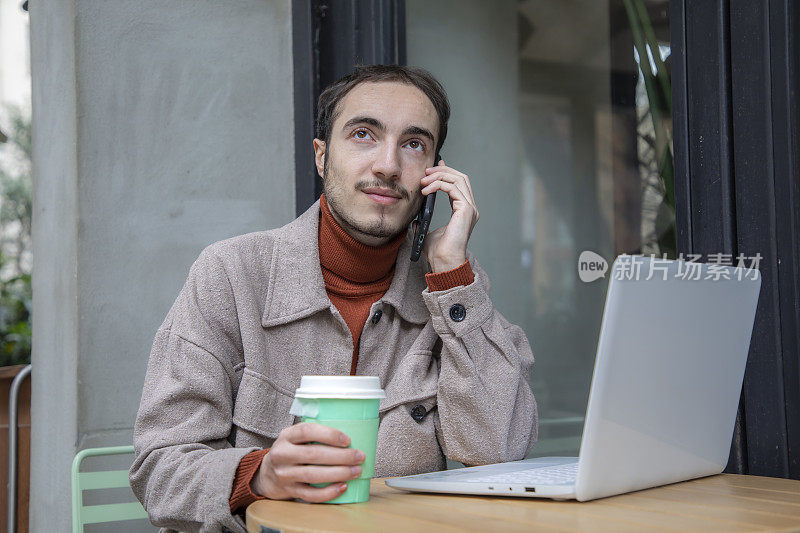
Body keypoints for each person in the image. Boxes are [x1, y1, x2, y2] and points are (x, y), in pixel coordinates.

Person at [130, 64, 538, 533]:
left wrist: (451, 276)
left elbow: (500, 455)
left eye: (412, 144)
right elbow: (158, 470)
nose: (387, 165)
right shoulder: (231, 274)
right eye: (364, 134)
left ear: (434, 174)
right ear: (322, 157)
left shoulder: (452, 287)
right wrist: (258, 474)